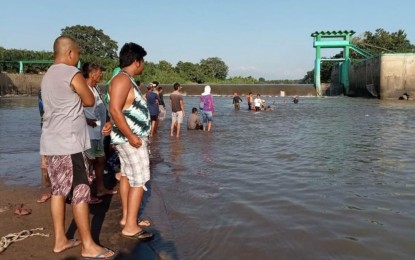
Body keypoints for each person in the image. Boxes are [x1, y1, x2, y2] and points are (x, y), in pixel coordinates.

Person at [40, 36, 115, 259]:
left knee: (58, 191)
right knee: (81, 190)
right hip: (69, 143)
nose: (79, 58)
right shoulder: (70, 73)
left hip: (51, 142)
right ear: (70, 52)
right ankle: (88, 246)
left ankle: (61, 240)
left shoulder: (48, 75)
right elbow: (89, 100)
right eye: (78, 53)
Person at [108, 42, 153, 241]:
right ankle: (130, 227)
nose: (143, 65)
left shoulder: (125, 79)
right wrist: (132, 136)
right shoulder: (122, 79)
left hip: (128, 139)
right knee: (140, 179)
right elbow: (115, 109)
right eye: (142, 61)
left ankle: (128, 218)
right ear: (137, 61)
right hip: (131, 140)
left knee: (126, 176)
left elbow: (120, 110)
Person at [81, 62, 117, 201]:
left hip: (97, 132)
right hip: (86, 133)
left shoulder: (96, 88)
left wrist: (108, 122)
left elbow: (104, 109)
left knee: (100, 160)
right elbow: (72, 108)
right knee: (88, 162)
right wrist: (84, 120)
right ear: (91, 73)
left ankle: (100, 189)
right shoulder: (82, 88)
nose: (101, 74)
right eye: (99, 71)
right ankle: (85, 194)